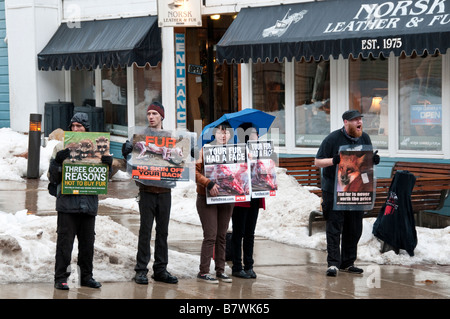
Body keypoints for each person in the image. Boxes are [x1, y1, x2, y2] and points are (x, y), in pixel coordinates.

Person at [49, 112, 113, 290]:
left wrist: (108, 165)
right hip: (67, 203)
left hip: (89, 203)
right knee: (64, 243)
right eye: (73, 126)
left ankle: (87, 276)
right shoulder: (61, 146)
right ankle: (60, 277)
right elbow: (52, 177)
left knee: (87, 245)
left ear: (86, 129)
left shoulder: (99, 147)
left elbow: (103, 179)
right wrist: (57, 162)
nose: (76, 129)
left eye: (79, 126)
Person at [314, 110, 380, 277]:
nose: (359, 122)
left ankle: (348, 262)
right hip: (334, 190)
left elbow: (365, 163)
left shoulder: (364, 138)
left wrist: (373, 160)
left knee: (354, 227)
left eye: (360, 119)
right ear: (346, 122)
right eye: (355, 120)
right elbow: (317, 161)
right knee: (335, 226)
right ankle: (333, 264)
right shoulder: (333, 139)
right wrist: (333, 161)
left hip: (356, 190)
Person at [122, 101, 178, 284]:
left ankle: (161, 269)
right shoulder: (140, 136)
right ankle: (141, 270)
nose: (151, 117)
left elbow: (177, 160)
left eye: (155, 113)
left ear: (162, 116)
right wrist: (126, 153)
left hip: (164, 191)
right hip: (146, 191)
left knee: (163, 232)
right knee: (145, 231)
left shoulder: (170, 137)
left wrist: (187, 152)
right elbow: (130, 165)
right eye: (149, 114)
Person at [195, 122, 234, 284]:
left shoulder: (235, 152)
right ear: (215, 134)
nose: (223, 135)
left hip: (227, 199)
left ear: (230, 135)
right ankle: (204, 271)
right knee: (210, 235)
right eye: (220, 132)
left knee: (222, 236)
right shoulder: (205, 151)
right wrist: (208, 183)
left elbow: (242, 172)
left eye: (226, 133)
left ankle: (220, 270)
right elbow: (194, 171)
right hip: (207, 198)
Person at [231, 124, 264, 279]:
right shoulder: (237, 151)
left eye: (256, 133)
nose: (256, 136)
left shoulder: (260, 152)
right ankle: (237, 267)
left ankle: (249, 266)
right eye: (252, 133)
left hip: (255, 196)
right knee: (239, 232)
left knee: (250, 233)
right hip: (241, 198)